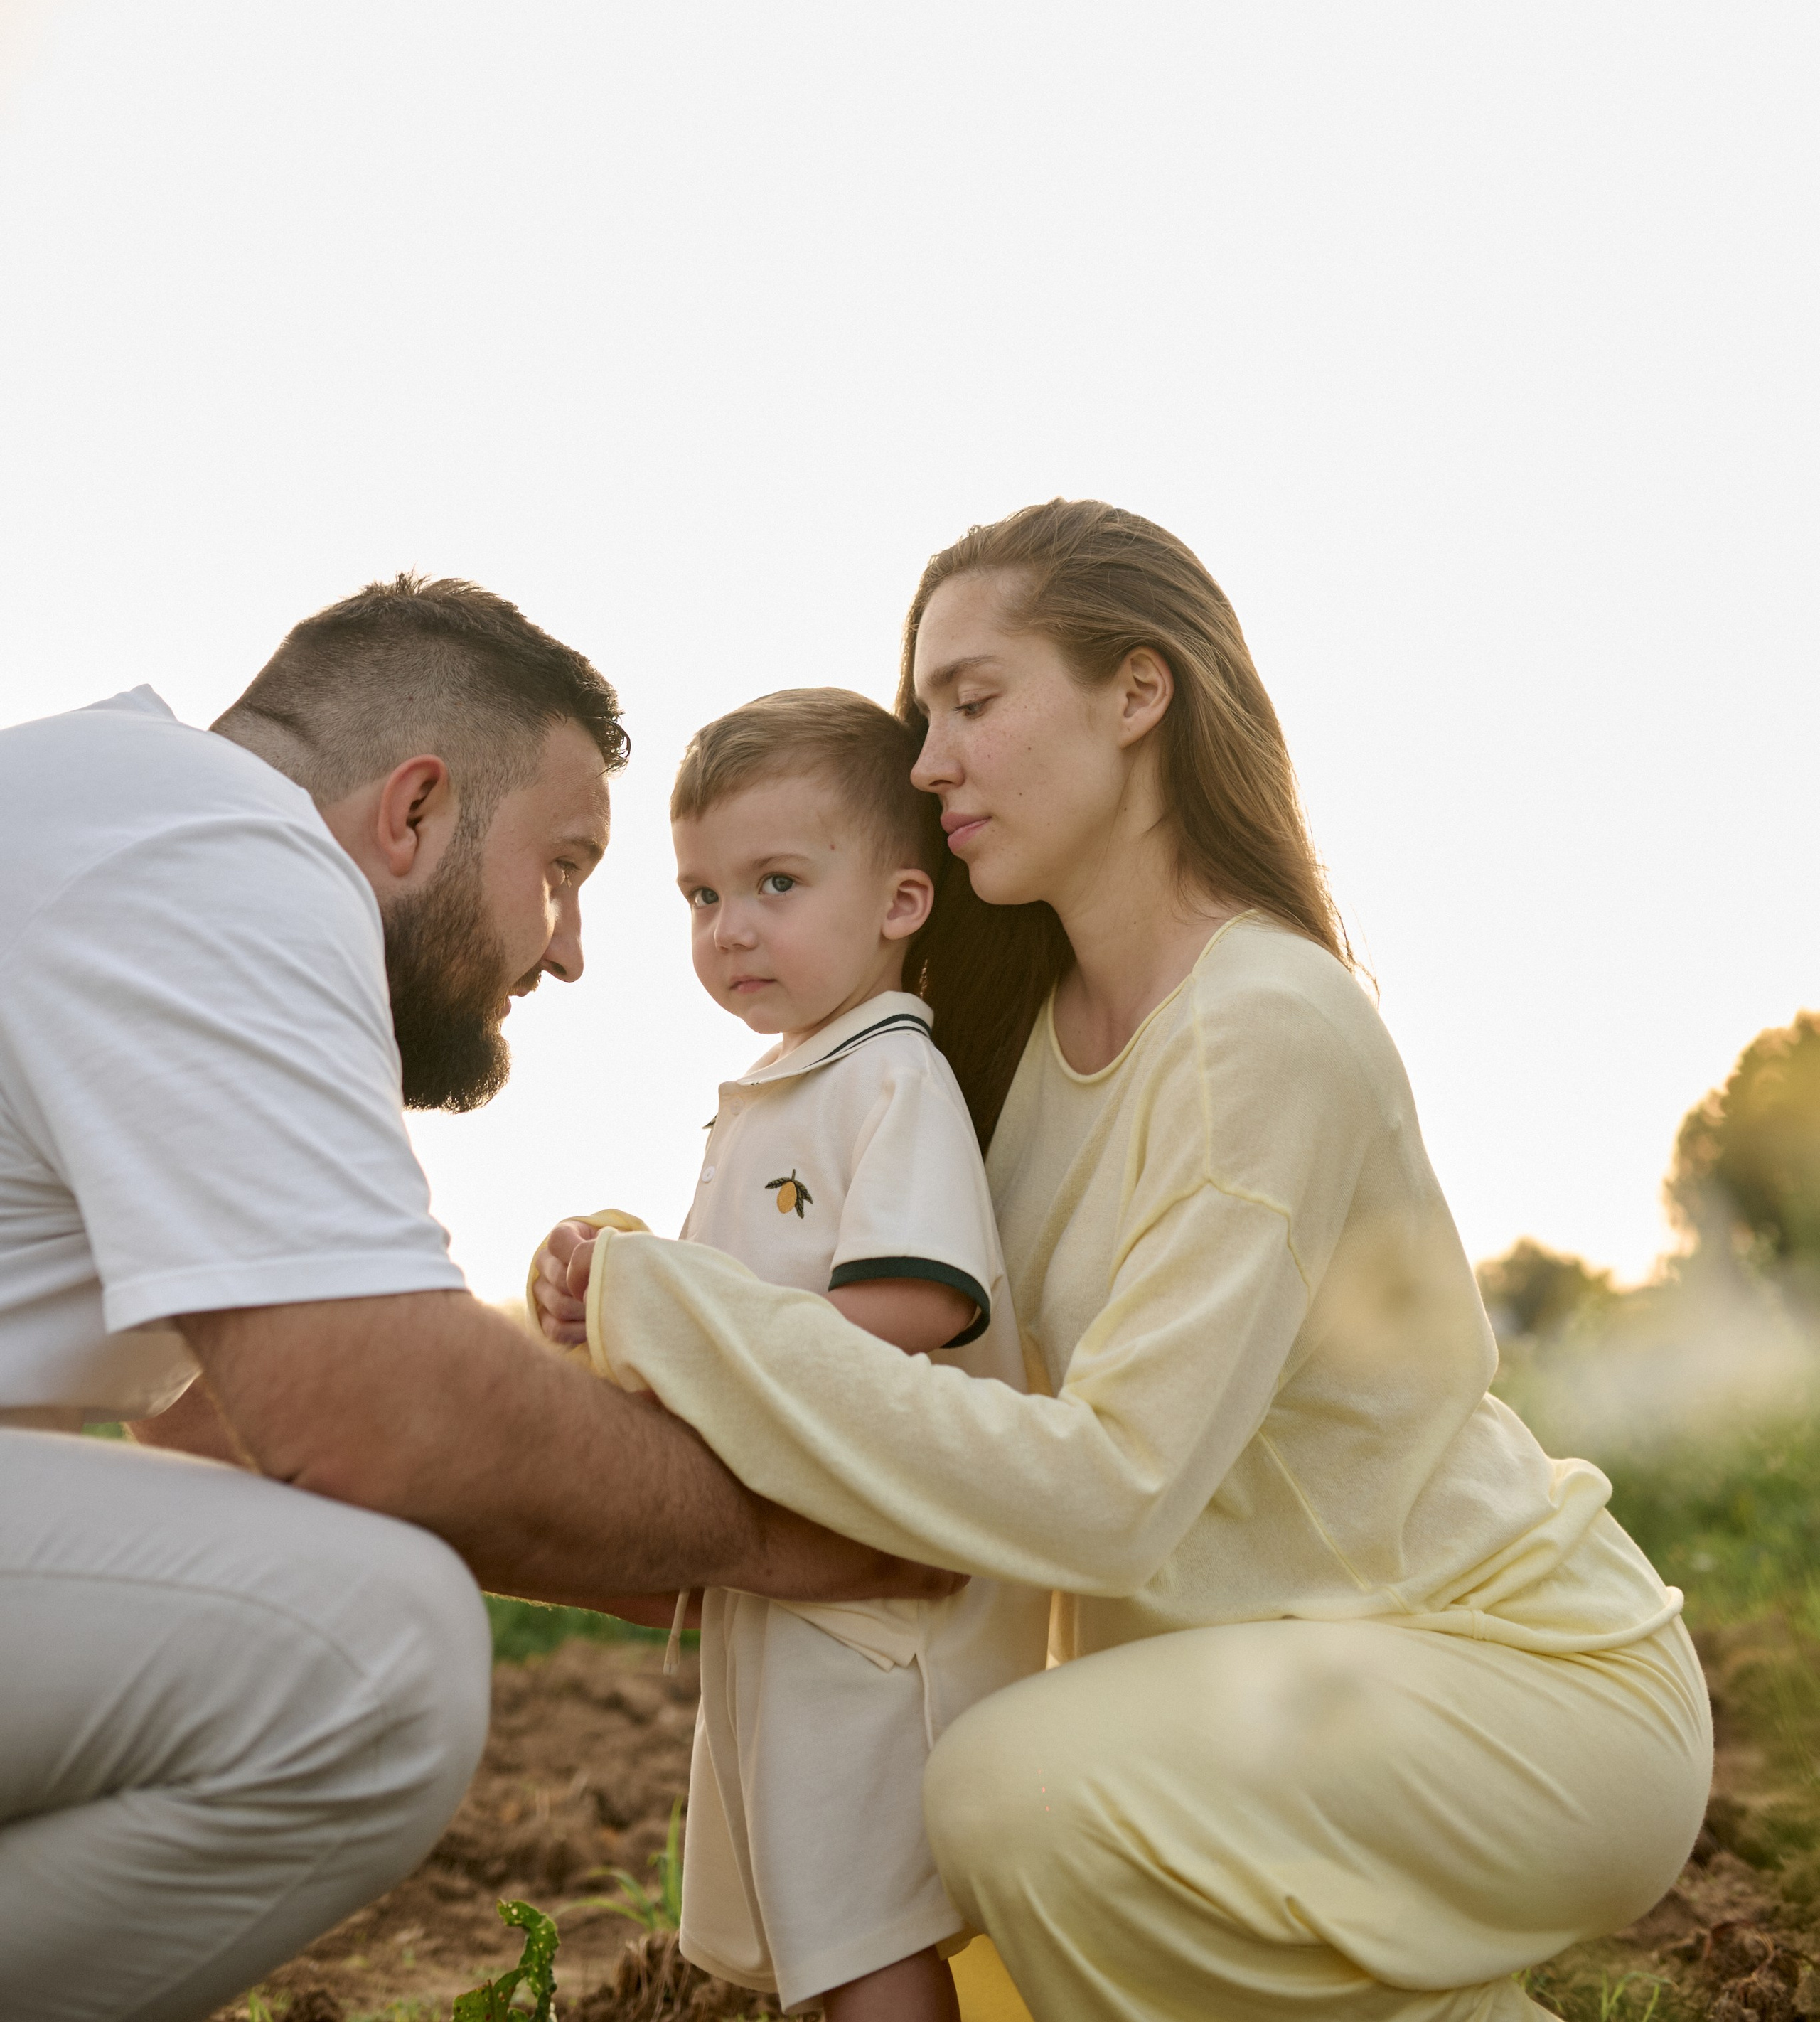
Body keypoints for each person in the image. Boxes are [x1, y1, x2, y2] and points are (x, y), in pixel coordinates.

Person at [535, 500, 1714, 2022]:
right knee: (969, 1899)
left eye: (973, 699)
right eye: (920, 715)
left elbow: (1106, 1494)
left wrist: (679, 1317)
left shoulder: (1259, 1027)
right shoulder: (1016, 1047)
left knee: (1014, 1797)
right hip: (1256, 1702)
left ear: (1135, 695)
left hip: (1514, 1691)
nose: (926, 761)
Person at [0, 577, 955, 2022]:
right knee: (377, 1653)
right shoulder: (226, 853)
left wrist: (720, 1568)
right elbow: (375, 1409)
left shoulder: (114, 823)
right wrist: (788, 1529)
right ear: (416, 810)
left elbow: (222, 1430)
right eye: (562, 865)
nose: (569, 945)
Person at [534, 690, 1049, 2021]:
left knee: (870, 1923)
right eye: (702, 895)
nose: (732, 928)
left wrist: (685, 1328)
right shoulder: (783, 1087)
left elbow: (911, 1305)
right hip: (791, 1576)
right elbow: (733, 1315)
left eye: (775, 882)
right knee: (810, 1913)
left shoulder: (893, 1080)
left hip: (878, 1599)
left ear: (899, 903)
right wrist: (614, 1286)